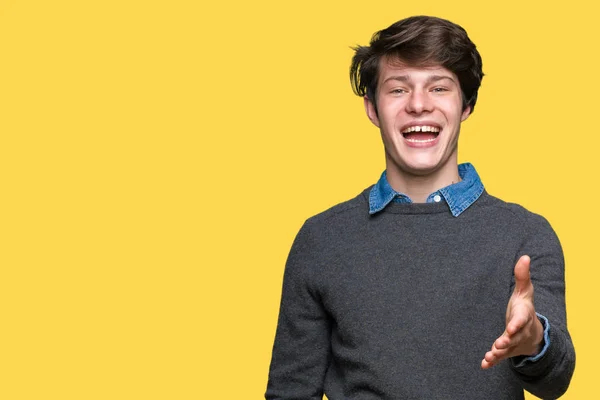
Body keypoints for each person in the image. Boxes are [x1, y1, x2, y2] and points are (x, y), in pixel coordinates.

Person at [265, 15, 575, 400]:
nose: (418, 105)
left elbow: (554, 382)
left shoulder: (525, 236)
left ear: (466, 105)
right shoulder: (321, 240)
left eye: (439, 87)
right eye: (398, 90)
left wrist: (533, 341)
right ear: (373, 109)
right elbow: (290, 391)